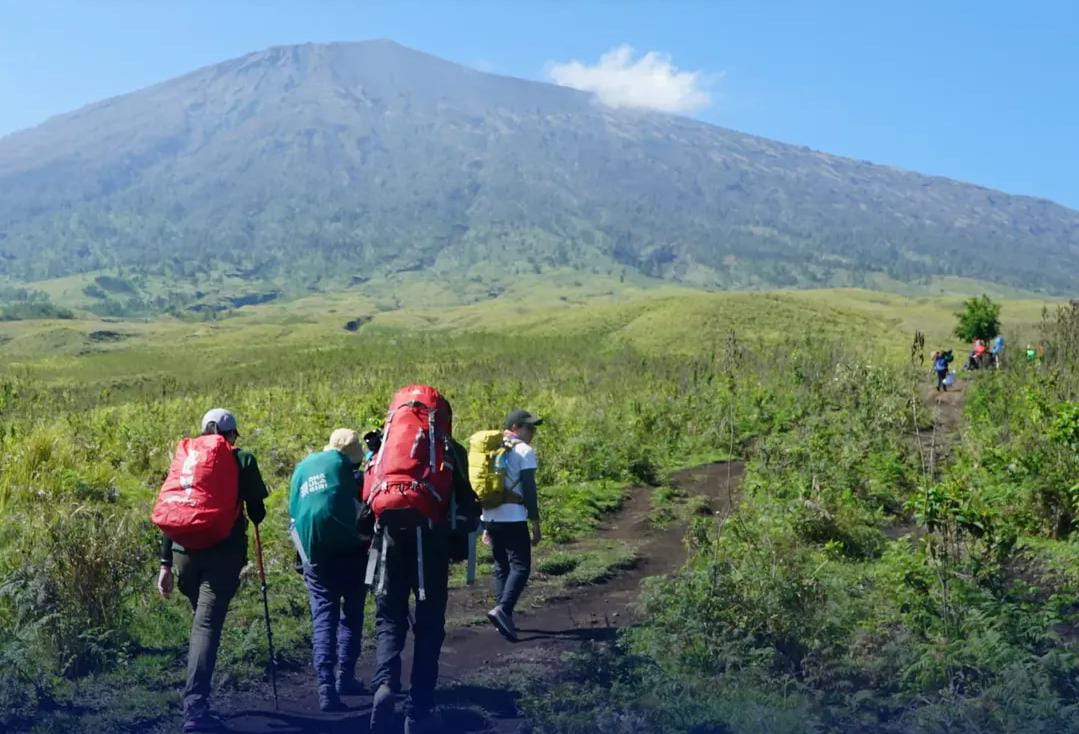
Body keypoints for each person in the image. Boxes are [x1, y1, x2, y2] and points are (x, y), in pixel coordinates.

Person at [366, 386, 478, 734]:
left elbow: (364, 499)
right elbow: (468, 507)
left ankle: (385, 684)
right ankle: (419, 709)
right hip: (431, 544)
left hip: (389, 542)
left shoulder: (382, 446)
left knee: (390, 618)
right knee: (429, 625)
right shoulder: (449, 449)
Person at [156, 409, 268, 733]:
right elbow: (258, 513)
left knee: (201, 623)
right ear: (230, 434)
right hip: (221, 555)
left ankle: (199, 697)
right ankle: (195, 708)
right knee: (206, 626)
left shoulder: (188, 458)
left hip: (183, 556)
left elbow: (176, 507)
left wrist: (165, 564)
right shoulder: (241, 458)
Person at [288, 429, 369, 712]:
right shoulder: (347, 469)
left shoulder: (303, 467)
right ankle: (346, 676)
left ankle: (325, 688)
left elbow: (293, 511)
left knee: (324, 617)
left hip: (313, 554)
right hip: (351, 552)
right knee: (352, 613)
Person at [482, 409, 543, 643]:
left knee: (502, 566)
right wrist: (535, 522)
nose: (533, 432)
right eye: (529, 428)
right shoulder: (524, 451)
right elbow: (529, 490)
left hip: (490, 515)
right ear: (515, 427)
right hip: (513, 516)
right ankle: (504, 609)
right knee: (521, 566)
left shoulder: (491, 448)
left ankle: (503, 617)